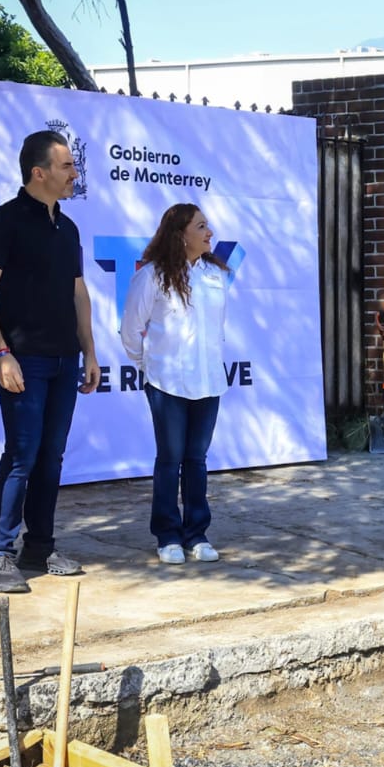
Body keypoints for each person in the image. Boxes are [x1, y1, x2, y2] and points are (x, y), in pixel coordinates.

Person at [0, 130, 101, 594]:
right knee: (22, 456)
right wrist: (0, 353)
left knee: (51, 457)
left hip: (65, 360)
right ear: (38, 172)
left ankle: (40, 547)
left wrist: (90, 350)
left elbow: (77, 292)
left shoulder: (68, 227)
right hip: (23, 360)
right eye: (67, 167)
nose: (74, 174)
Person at [121, 203, 230, 565]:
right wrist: (147, 367)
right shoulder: (152, 275)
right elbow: (131, 330)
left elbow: (217, 330)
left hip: (209, 381)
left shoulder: (215, 275)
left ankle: (196, 534)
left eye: (208, 225)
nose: (209, 232)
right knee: (170, 459)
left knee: (196, 460)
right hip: (167, 383)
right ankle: (167, 535)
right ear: (181, 234)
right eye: (201, 226)